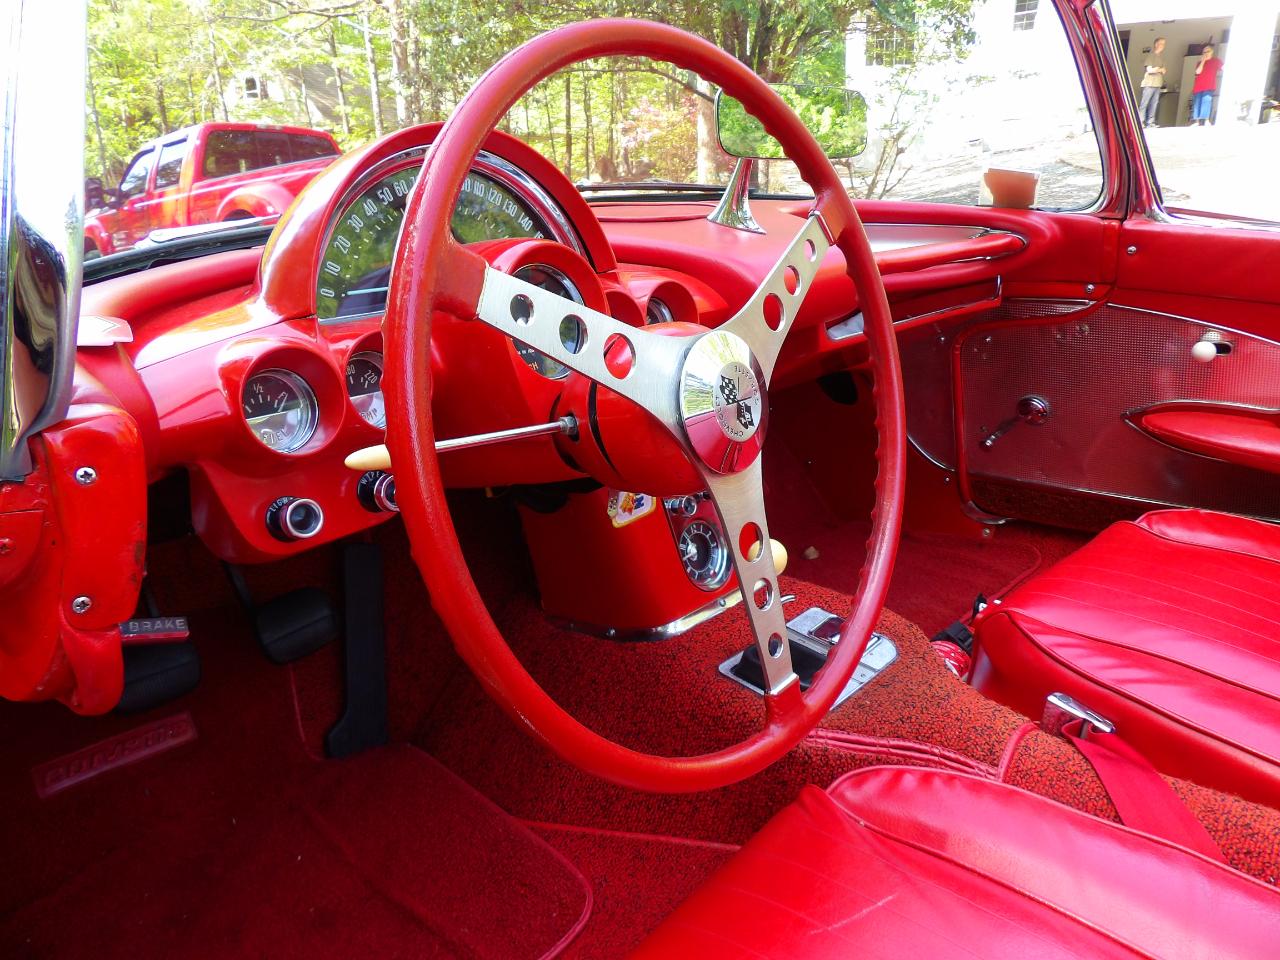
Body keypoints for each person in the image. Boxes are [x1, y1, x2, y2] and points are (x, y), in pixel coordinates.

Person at [1192, 44, 1224, 126]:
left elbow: (1224, 68)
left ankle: (1206, 120)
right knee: (1197, 102)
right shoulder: (1199, 62)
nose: (1206, 53)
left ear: (1212, 52)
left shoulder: (1216, 61)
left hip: (1209, 85)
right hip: (1198, 86)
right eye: (1204, 52)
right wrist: (1203, 61)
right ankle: (1196, 121)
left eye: (1208, 51)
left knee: (1207, 102)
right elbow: (1197, 72)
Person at [1139, 38, 1167, 127]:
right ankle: (1141, 121)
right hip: (1149, 83)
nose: (1163, 46)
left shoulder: (1162, 57)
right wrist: (1158, 69)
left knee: (1154, 104)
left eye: (1164, 44)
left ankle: (1150, 122)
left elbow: (1164, 70)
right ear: (1156, 44)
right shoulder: (1151, 56)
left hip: (1158, 84)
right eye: (1161, 43)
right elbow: (1149, 69)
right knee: (1144, 103)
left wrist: (1159, 70)